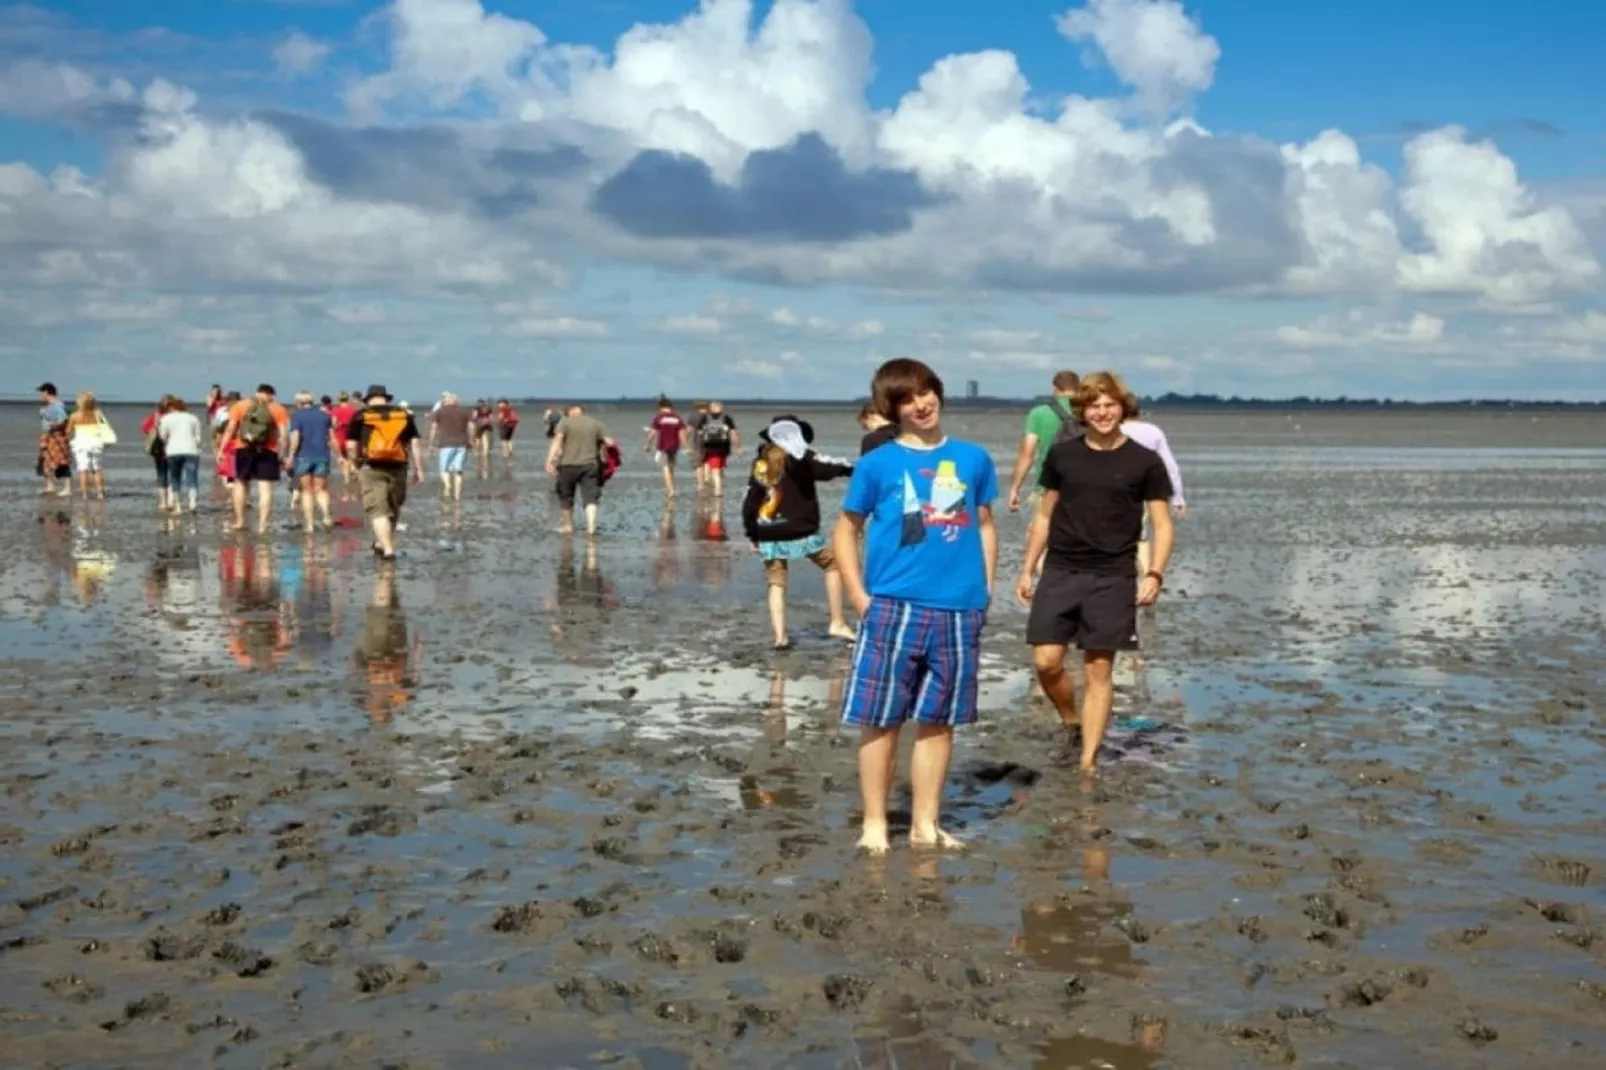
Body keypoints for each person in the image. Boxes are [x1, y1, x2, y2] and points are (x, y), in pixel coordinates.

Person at [831, 358, 999, 853]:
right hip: (892, 607)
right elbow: (845, 529)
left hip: (959, 609)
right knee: (880, 719)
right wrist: (859, 597)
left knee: (939, 720)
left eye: (925, 392)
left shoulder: (973, 458)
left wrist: (983, 589)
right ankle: (875, 824)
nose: (919, 404)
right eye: (906, 398)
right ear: (891, 408)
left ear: (939, 394)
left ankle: (926, 824)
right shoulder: (877, 463)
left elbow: (985, 524)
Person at [1016, 371, 1175, 773]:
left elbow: (1162, 523)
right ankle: (1071, 719)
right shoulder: (1064, 455)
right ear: (1082, 411)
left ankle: (1088, 760)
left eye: (1110, 405)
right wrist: (1027, 568)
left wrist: (1154, 573)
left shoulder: (1145, 461)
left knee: (1099, 668)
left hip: (1113, 575)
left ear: (1122, 408)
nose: (1102, 413)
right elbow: (1044, 515)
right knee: (1047, 662)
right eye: (1094, 406)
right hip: (1062, 569)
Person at [741, 416, 856, 650]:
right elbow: (828, 470)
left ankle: (780, 637)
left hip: (768, 531)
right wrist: (852, 469)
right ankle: (837, 621)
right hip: (801, 528)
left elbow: (751, 501)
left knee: (776, 581)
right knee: (832, 565)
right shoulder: (802, 458)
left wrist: (753, 534)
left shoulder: (760, 463)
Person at [345, 385, 425, 562]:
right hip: (398, 465)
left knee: (377, 509)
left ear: (369, 399)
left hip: (371, 466)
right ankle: (383, 543)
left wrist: (355, 463)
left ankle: (387, 549)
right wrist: (419, 469)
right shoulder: (404, 414)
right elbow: (415, 444)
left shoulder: (361, 415)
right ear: (386, 398)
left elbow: (350, 445)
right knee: (393, 507)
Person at [1121, 401, 1187, 579]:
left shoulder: (1115, 430)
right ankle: (1145, 577)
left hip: (1116, 491)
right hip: (1144, 491)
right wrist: (1178, 498)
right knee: (1141, 537)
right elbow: (1170, 466)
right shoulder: (1153, 431)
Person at [217, 384, 291, 533]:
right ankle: (263, 525)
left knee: (240, 484)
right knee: (265, 490)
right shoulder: (278, 408)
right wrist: (284, 454)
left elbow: (231, 429)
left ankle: (240, 521)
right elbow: (283, 435)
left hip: (243, 448)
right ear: (271, 395)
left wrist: (221, 449)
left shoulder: (240, 405)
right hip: (268, 450)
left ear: (256, 392)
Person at [1007, 370, 1083, 513]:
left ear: (1055, 388)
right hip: (1084, 489)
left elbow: (1027, 454)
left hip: (1047, 487)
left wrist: (1015, 488)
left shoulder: (1039, 413)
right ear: (1078, 387)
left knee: (1041, 532)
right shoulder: (1089, 411)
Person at [546, 403, 615, 537]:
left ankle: (568, 526)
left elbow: (557, 441)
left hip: (567, 465)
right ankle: (591, 528)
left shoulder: (565, 423)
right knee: (591, 498)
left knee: (566, 497)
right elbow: (610, 442)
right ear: (583, 411)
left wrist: (550, 460)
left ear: (570, 411)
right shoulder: (596, 423)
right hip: (590, 465)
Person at [287, 390, 337, 533]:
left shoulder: (296, 416)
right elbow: (332, 437)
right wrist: (339, 455)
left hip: (303, 455)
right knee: (321, 489)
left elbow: (295, 437)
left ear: (298, 403)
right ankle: (326, 517)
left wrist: (290, 455)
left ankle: (309, 524)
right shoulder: (325, 416)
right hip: (322, 455)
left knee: (307, 491)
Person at [158, 396, 205, 514]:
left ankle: (177, 506)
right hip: (191, 450)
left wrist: (167, 442)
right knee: (192, 478)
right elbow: (198, 438)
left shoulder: (166, 418)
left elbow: (163, 436)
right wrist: (198, 447)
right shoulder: (193, 418)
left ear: (172, 407)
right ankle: (192, 503)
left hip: (173, 451)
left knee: (175, 478)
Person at [67, 391, 114, 500]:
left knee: (83, 469)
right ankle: (100, 493)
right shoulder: (98, 414)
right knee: (97, 469)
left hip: (81, 443)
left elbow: (69, 430)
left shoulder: (75, 416)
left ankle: (84, 494)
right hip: (95, 442)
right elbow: (104, 427)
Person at [430, 391, 473, 504]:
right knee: (458, 471)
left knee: (444, 470)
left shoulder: (439, 412)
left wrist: (431, 442)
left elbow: (434, 427)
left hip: (445, 444)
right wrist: (471, 440)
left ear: (446, 401)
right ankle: (457, 496)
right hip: (462, 444)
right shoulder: (465, 411)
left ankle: (448, 485)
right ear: (456, 401)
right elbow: (471, 426)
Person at [694, 400, 741, 497]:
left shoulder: (705, 418)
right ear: (721, 409)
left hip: (709, 447)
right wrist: (738, 447)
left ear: (710, 409)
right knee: (718, 469)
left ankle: (717, 491)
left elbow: (699, 433)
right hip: (723, 448)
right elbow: (733, 434)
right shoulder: (727, 418)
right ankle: (717, 488)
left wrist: (701, 443)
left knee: (715, 470)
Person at [645, 397, 687, 498]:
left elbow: (653, 433)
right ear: (671, 407)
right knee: (671, 468)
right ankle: (673, 488)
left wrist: (648, 445)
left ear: (661, 407)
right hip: (674, 446)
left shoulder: (659, 418)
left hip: (663, 446)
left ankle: (670, 490)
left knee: (665, 467)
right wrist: (685, 446)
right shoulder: (677, 418)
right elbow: (682, 433)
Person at [37, 382, 73, 497]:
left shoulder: (58, 405)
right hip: (49, 436)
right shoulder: (49, 407)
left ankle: (67, 488)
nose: (40, 396)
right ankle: (50, 486)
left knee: (62, 461)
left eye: (41, 393)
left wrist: (53, 426)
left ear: (46, 392)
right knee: (46, 460)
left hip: (56, 436)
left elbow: (63, 420)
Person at [141, 397, 174, 512]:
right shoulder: (176, 416)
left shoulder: (155, 415)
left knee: (161, 475)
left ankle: (163, 503)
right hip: (173, 449)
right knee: (173, 476)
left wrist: (155, 430)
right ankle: (171, 501)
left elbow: (145, 428)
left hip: (159, 450)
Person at [330, 391, 361, 500]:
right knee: (352, 458)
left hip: (340, 436)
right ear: (347, 399)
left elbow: (333, 424)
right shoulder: (353, 410)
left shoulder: (335, 410)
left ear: (338, 400)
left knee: (343, 460)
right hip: (351, 436)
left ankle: (347, 479)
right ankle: (353, 469)